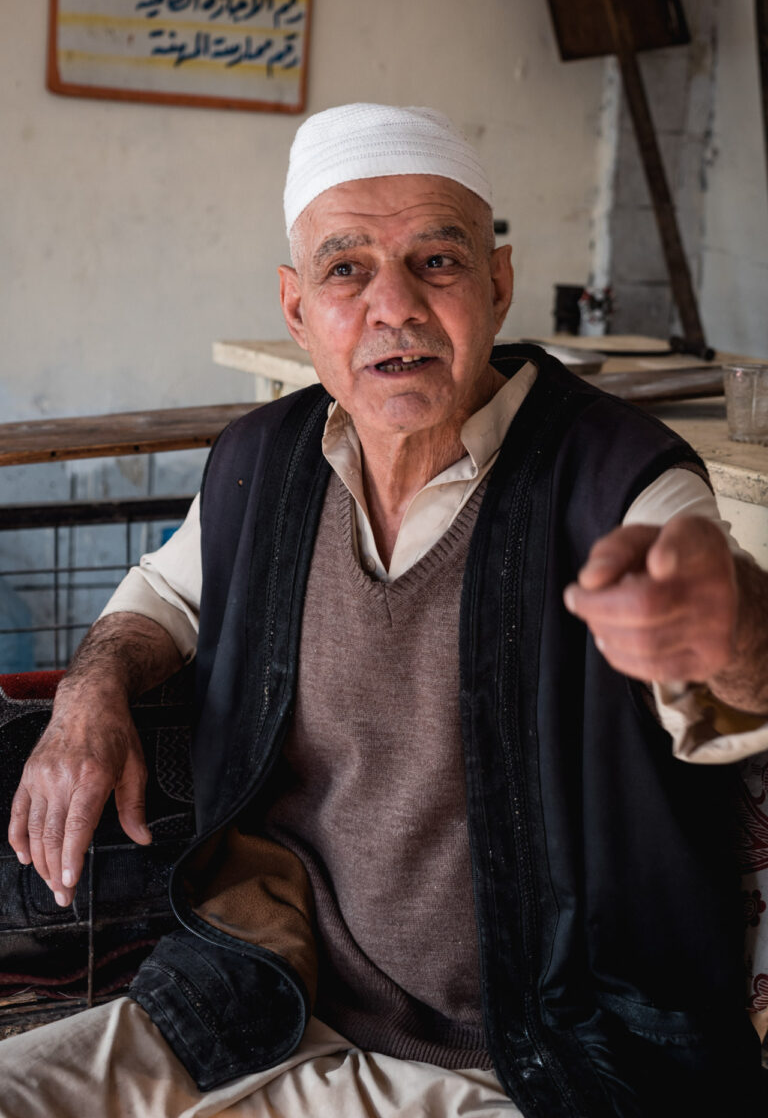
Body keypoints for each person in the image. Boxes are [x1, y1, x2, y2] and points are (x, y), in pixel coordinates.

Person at [3, 104, 768, 1118]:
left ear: (497, 284)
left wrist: (730, 628)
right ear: (295, 308)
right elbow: (163, 594)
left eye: (437, 262)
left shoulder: (616, 477)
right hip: (258, 1002)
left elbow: (733, 645)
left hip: (537, 1062)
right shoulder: (263, 464)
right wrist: (89, 693)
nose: (394, 306)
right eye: (346, 268)